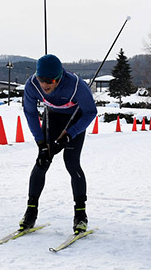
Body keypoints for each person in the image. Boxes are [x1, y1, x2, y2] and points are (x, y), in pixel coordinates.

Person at [20, 54, 98, 234]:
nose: (45, 84)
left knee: (71, 162)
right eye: (41, 79)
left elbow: (90, 112)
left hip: (74, 120)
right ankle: (31, 211)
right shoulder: (32, 85)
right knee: (43, 160)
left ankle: (80, 215)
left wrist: (69, 135)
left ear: (60, 77)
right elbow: (30, 113)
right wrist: (40, 141)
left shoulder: (76, 86)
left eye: (50, 80)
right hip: (53, 117)